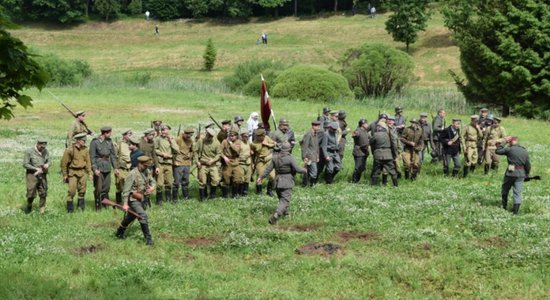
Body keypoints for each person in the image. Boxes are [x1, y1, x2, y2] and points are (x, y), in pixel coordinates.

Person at [257, 142, 306, 225]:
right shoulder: (290, 158)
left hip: (277, 181)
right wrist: (305, 170)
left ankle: (286, 213)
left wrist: (260, 177)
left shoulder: (275, 157)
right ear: (289, 149)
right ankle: (276, 215)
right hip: (286, 181)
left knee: (281, 198)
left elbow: (268, 169)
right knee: (285, 199)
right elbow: (297, 169)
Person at [115, 156, 156, 246]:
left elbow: (152, 181)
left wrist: (152, 188)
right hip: (133, 199)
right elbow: (126, 191)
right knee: (143, 216)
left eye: (147, 166)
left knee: (131, 216)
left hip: (142, 198)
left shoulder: (147, 171)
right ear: (140, 164)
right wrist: (125, 204)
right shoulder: (132, 174)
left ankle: (119, 232)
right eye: (145, 166)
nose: (146, 168)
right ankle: (149, 240)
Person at [496, 136, 531, 214]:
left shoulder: (509, 149)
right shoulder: (524, 150)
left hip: (510, 173)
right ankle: (515, 211)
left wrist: (504, 142)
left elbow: (498, 151)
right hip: (521, 174)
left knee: (505, 189)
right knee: (517, 192)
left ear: (510, 142)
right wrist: (527, 174)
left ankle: (504, 206)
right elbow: (528, 164)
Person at [61, 133, 92, 212]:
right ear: (78, 140)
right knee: (71, 191)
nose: (84, 142)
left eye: (85, 140)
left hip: (82, 172)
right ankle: (70, 210)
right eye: (83, 140)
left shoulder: (85, 149)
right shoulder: (70, 150)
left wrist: (90, 173)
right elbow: (64, 163)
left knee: (82, 191)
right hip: (72, 172)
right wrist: (65, 174)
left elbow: (88, 162)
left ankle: (81, 208)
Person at [89, 126, 119, 210]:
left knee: (106, 187)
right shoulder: (95, 142)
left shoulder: (109, 141)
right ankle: (98, 207)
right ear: (105, 133)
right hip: (99, 167)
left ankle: (105, 205)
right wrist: (95, 169)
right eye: (110, 133)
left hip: (107, 167)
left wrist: (115, 167)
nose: (111, 134)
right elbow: (92, 157)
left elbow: (113, 155)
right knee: (98, 188)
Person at [23, 138, 50, 214]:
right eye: (41, 147)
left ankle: (42, 211)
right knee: (31, 193)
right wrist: (35, 168)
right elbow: (25, 164)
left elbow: (49, 160)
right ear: (38, 144)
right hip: (32, 175)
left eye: (44, 147)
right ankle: (29, 205)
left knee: (43, 192)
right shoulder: (29, 151)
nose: (43, 148)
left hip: (42, 174)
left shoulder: (45, 151)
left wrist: (47, 164)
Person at [369, 119, 398, 187]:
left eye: (378, 126)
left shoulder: (375, 134)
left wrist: (374, 153)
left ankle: (373, 186)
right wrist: (394, 154)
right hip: (388, 155)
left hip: (378, 154)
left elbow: (371, 143)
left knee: (376, 171)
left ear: (379, 127)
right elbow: (394, 145)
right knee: (392, 171)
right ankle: (395, 185)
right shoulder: (389, 135)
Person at [154, 124, 178, 204]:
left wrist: (171, 142)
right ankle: (159, 200)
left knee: (169, 182)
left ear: (168, 130)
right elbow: (155, 150)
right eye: (162, 130)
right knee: (160, 184)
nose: (164, 131)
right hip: (160, 163)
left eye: (165, 130)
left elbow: (177, 150)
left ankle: (168, 198)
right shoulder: (157, 139)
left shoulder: (172, 139)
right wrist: (162, 154)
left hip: (169, 163)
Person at [195, 128, 221, 200]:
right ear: (206, 134)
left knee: (215, 180)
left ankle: (212, 195)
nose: (209, 137)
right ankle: (202, 197)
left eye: (211, 136)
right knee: (202, 181)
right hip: (203, 164)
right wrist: (197, 161)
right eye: (208, 135)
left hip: (212, 165)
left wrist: (213, 160)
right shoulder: (201, 141)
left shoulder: (216, 143)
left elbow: (219, 154)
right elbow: (196, 152)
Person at [251, 128, 276, 196]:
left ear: (263, 135)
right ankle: (259, 192)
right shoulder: (253, 143)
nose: (258, 137)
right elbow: (252, 155)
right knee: (260, 176)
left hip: (269, 159)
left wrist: (267, 144)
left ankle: (269, 190)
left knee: (272, 176)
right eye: (257, 136)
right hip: (260, 161)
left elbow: (275, 144)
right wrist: (252, 163)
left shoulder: (267, 138)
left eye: (260, 136)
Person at [173, 127, 195, 201]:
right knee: (176, 182)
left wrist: (190, 155)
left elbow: (192, 151)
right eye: (188, 135)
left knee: (186, 181)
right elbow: (173, 150)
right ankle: (174, 198)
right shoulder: (178, 139)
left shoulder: (190, 140)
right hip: (178, 163)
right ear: (184, 133)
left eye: (190, 136)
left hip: (187, 163)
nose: (189, 137)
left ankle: (186, 197)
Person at [220, 129, 243, 198]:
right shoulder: (224, 141)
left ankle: (234, 194)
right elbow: (219, 151)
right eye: (230, 136)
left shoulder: (238, 142)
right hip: (227, 162)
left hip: (235, 161)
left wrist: (230, 143)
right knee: (226, 179)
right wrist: (224, 157)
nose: (231, 137)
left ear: (236, 136)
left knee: (237, 179)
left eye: (233, 136)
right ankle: (225, 195)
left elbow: (236, 150)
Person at [139, 129, 158, 208]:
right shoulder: (140, 142)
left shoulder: (152, 143)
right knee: (141, 183)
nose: (152, 136)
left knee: (149, 183)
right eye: (151, 135)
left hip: (150, 166)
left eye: (153, 135)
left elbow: (154, 155)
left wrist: (157, 167)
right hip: (142, 166)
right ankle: (141, 200)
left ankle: (147, 200)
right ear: (146, 135)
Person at [300, 120, 321, 186]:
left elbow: (317, 146)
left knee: (308, 171)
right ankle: (311, 185)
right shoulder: (308, 134)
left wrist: (317, 156)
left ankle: (305, 184)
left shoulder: (315, 134)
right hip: (309, 156)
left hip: (314, 156)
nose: (319, 128)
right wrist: (304, 157)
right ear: (313, 126)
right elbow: (304, 146)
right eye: (317, 126)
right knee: (314, 172)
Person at [115, 129, 132, 206]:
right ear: (124, 135)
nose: (130, 136)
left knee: (129, 186)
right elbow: (115, 156)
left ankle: (128, 203)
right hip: (121, 168)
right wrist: (116, 168)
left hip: (130, 168)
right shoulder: (120, 144)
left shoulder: (132, 144)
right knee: (120, 186)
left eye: (131, 134)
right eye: (129, 134)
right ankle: (119, 203)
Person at [351, 118, 370, 183]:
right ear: (362, 124)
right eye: (366, 123)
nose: (367, 125)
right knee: (358, 168)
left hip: (364, 152)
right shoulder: (358, 130)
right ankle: (354, 181)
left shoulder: (365, 131)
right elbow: (354, 134)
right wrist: (354, 134)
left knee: (361, 168)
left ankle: (357, 180)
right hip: (359, 152)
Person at [238, 129, 253, 196]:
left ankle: (245, 192)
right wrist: (245, 156)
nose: (247, 138)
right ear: (242, 136)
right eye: (245, 136)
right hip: (241, 163)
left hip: (248, 163)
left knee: (247, 179)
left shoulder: (249, 143)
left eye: (248, 136)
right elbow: (237, 154)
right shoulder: (239, 143)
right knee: (241, 179)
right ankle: (240, 192)